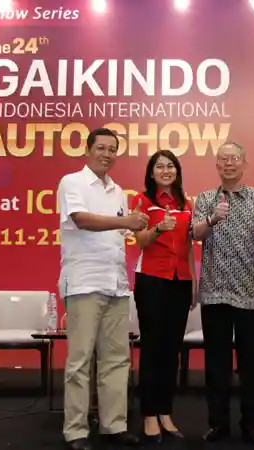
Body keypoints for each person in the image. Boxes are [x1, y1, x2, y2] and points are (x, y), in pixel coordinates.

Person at [57, 128, 148, 450]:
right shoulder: (72, 182)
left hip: (116, 284)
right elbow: (81, 220)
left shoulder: (118, 191)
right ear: (88, 149)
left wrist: (146, 229)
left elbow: (123, 235)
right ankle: (76, 431)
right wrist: (126, 222)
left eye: (112, 149)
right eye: (101, 148)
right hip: (84, 281)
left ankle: (114, 425)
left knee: (117, 359)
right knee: (80, 361)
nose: (107, 154)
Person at [191, 142, 254, 445]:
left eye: (235, 158)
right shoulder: (205, 198)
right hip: (215, 292)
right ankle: (218, 424)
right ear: (217, 165)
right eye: (223, 159)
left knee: (253, 364)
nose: (229, 163)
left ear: (244, 164)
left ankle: (252, 424)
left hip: (252, 291)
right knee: (217, 364)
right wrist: (213, 218)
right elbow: (195, 234)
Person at [131, 150, 197, 443]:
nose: (166, 170)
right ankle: (148, 413)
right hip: (152, 280)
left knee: (172, 350)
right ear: (151, 172)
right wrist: (158, 228)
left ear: (177, 171)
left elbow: (189, 247)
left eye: (171, 166)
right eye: (160, 166)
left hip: (180, 281)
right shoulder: (143, 201)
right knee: (153, 347)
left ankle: (165, 411)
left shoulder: (186, 203)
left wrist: (193, 281)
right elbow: (140, 241)